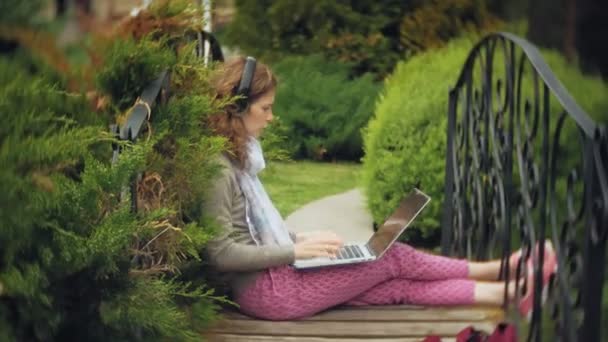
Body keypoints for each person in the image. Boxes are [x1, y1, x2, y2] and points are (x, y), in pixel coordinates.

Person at [203, 56, 557, 321]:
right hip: (269, 291)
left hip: (274, 282)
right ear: (237, 108)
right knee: (393, 258)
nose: (271, 117)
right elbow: (221, 253)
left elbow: (252, 230)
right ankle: (501, 269)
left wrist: (297, 239)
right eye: (265, 108)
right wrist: (296, 253)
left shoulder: (239, 161)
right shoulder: (219, 169)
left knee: (392, 287)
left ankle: (506, 294)